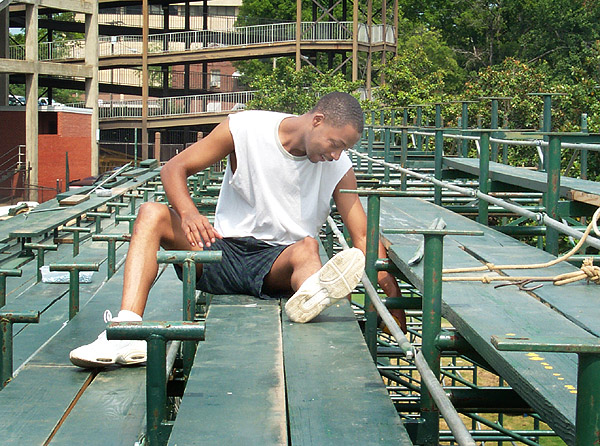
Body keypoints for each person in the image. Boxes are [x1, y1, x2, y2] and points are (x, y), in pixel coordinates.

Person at [69, 92, 406, 368]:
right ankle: (126, 329)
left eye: (343, 149)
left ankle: (312, 307)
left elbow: (361, 234)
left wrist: (392, 296)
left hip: (278, 263)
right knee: (152, 212)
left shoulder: (339, 167)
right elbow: (175, 167)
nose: (336, 154)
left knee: (307, 247)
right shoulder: (244, 127)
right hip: (221, 250)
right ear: (317, 120)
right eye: (335, 143)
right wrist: (187, 213)